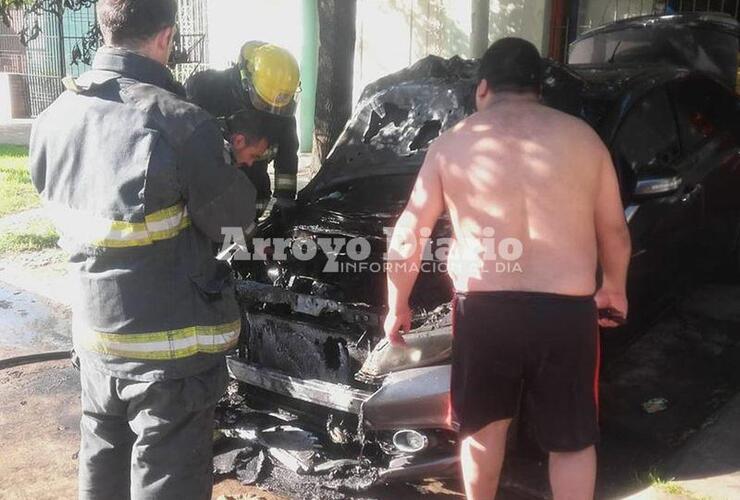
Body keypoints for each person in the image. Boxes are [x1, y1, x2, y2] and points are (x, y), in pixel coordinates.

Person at [28, 0, 262, 498]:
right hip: (168, 359)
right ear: (166, 37)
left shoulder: (53, 117)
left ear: (104, 26)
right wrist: (234, 165)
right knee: (166, 479)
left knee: (103, 463)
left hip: (96, 342)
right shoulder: (180, 123)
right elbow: (235, 222)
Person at [383, 38, 631, 500]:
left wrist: (398, 303)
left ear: (482, 89)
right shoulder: (583, 139)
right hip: (566, 312)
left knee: (482, 428)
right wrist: (614, 288)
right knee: (573, 440)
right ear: (538, 88)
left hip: (485, 312)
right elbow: (614, 231)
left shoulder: (452, 143)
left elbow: (408, 233)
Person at [185, 41, 300, 217]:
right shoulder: (206, 90)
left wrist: (285, 200)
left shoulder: (282, 108)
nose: (272, 110)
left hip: (254, 197)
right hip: (210, 200)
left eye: (279, 105)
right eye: (263, 102)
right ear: (246, 81)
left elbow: (287, 158)